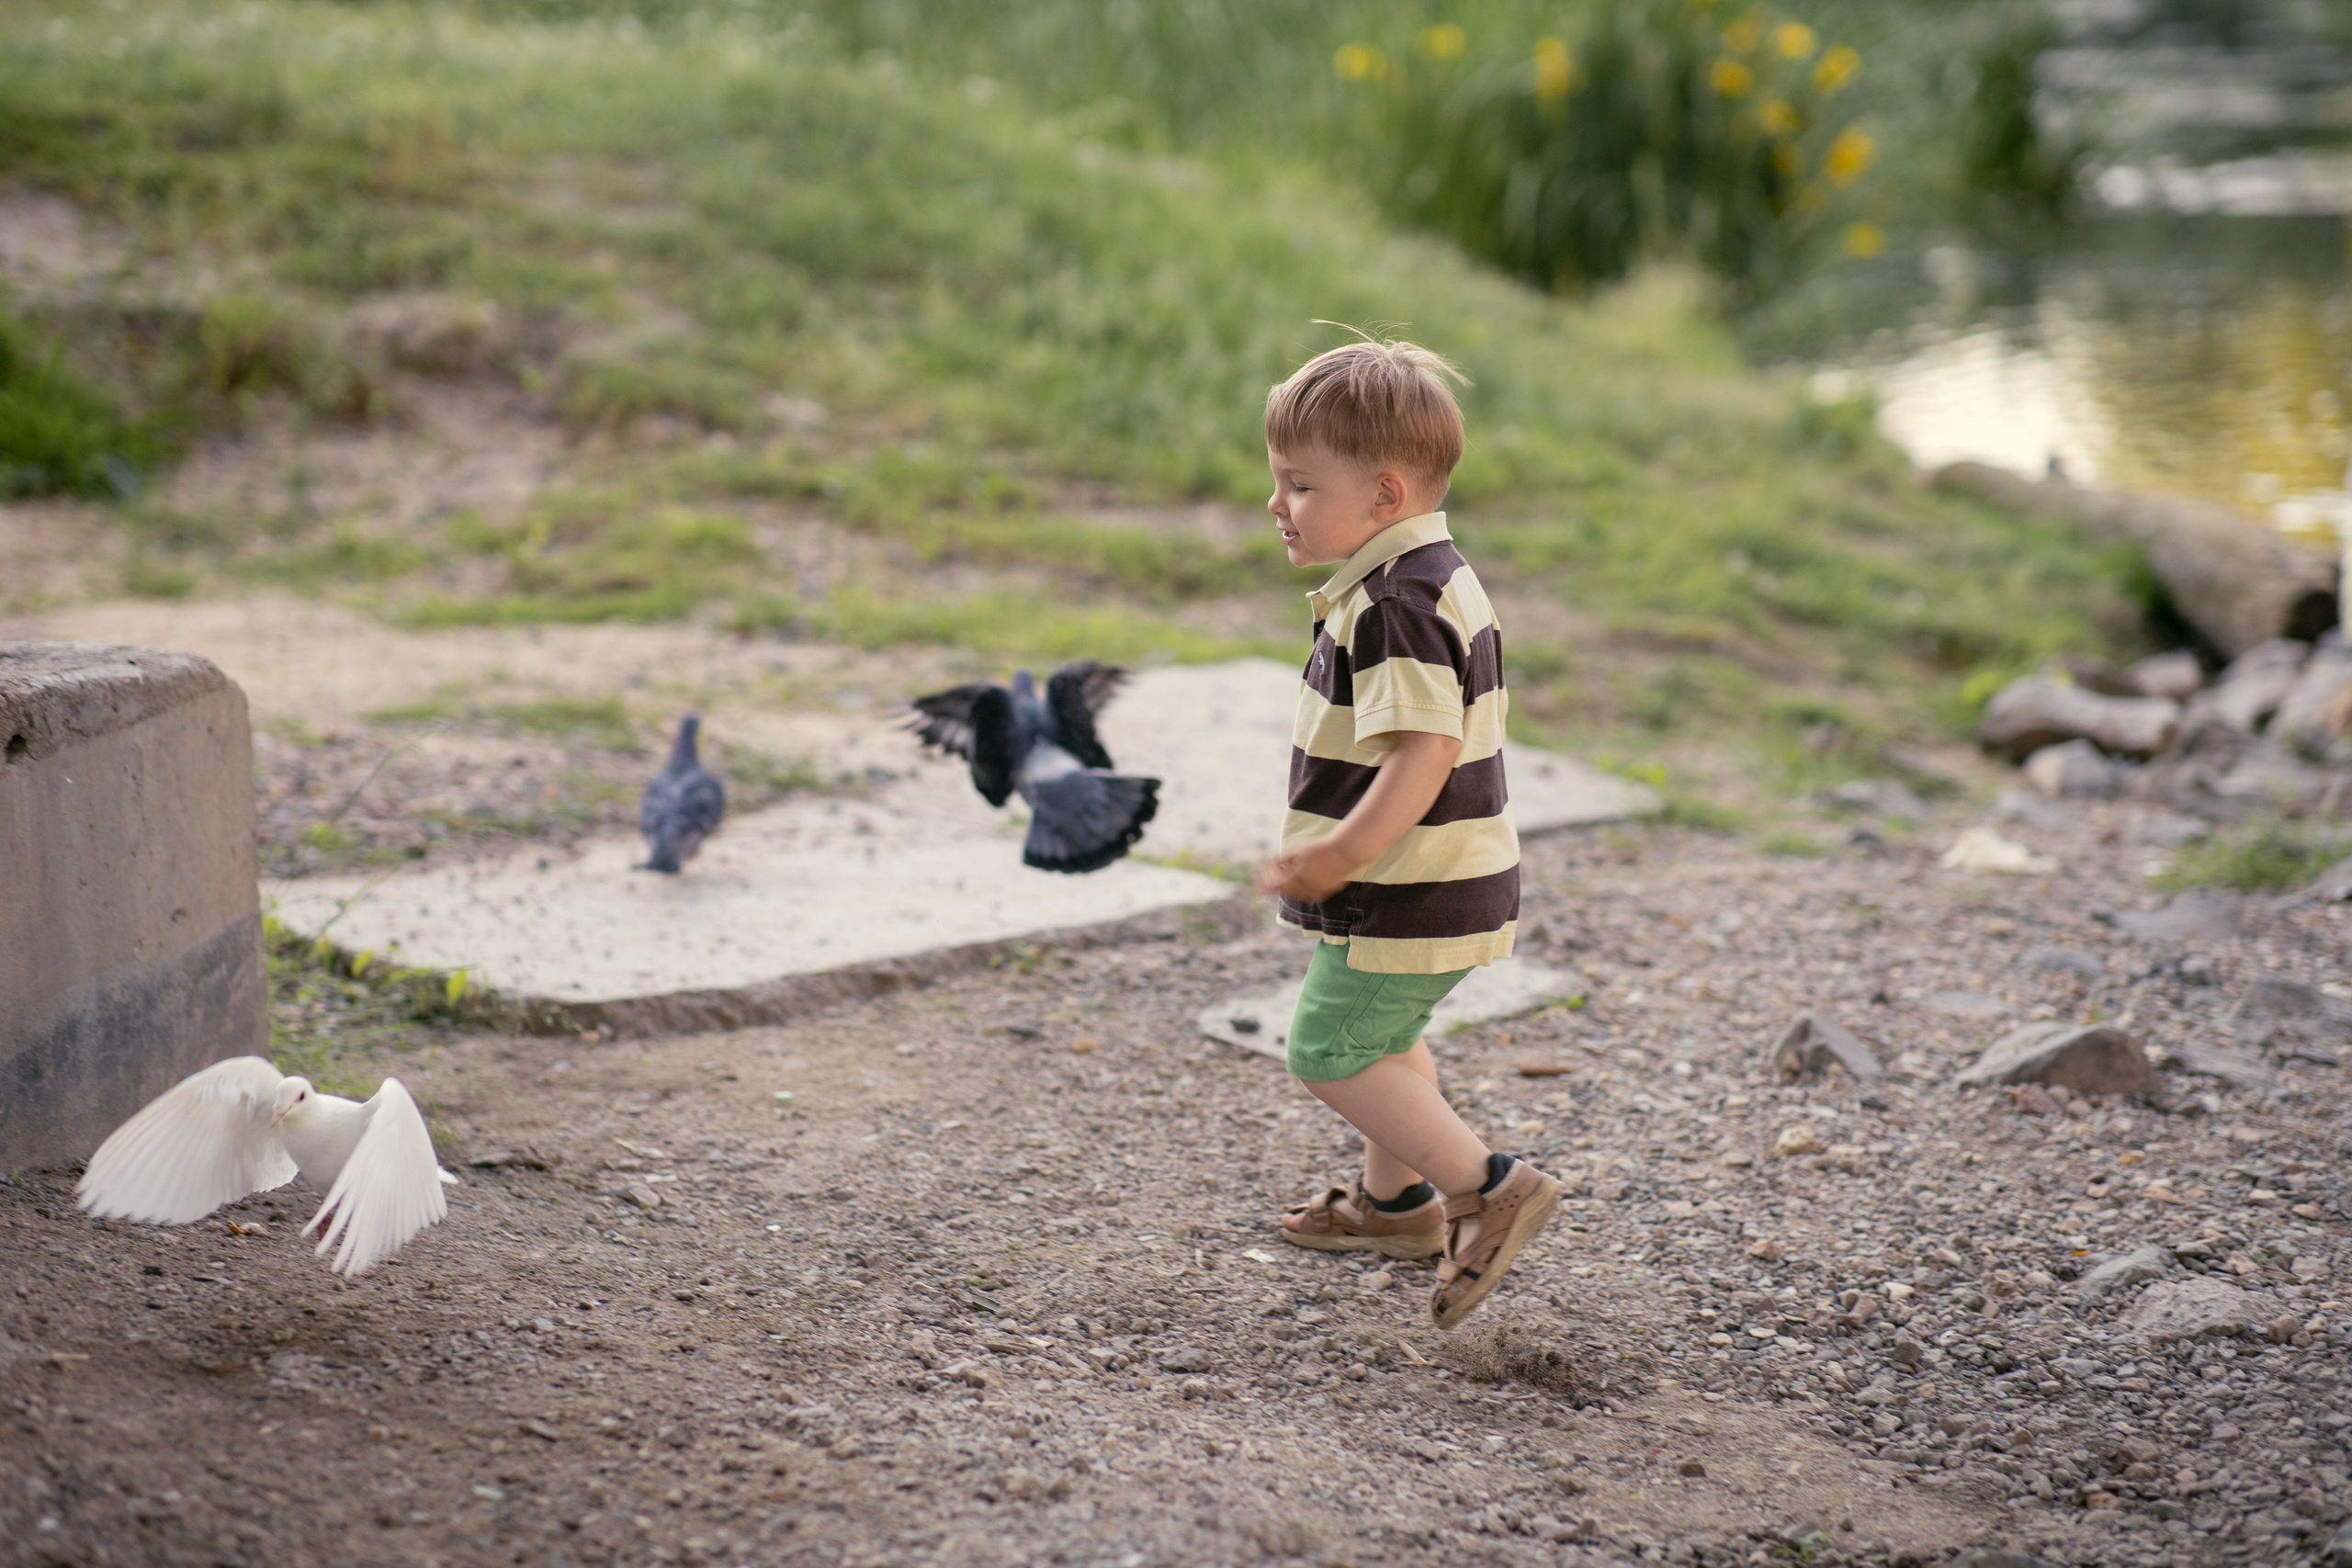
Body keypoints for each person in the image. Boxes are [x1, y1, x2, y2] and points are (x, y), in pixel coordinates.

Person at [1251, 333, 1562, 1329]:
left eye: (1300, 486)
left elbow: (1423, 750)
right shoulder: (1424, 572)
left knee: (1329, 1048)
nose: (1277, 506)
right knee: (1386, 1036)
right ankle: (1394, 1207)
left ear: (1384, 495)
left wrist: (1342, 851)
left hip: (1410, 879)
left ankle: (1487, 1186)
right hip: (1438, 874)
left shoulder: (1394, 602)